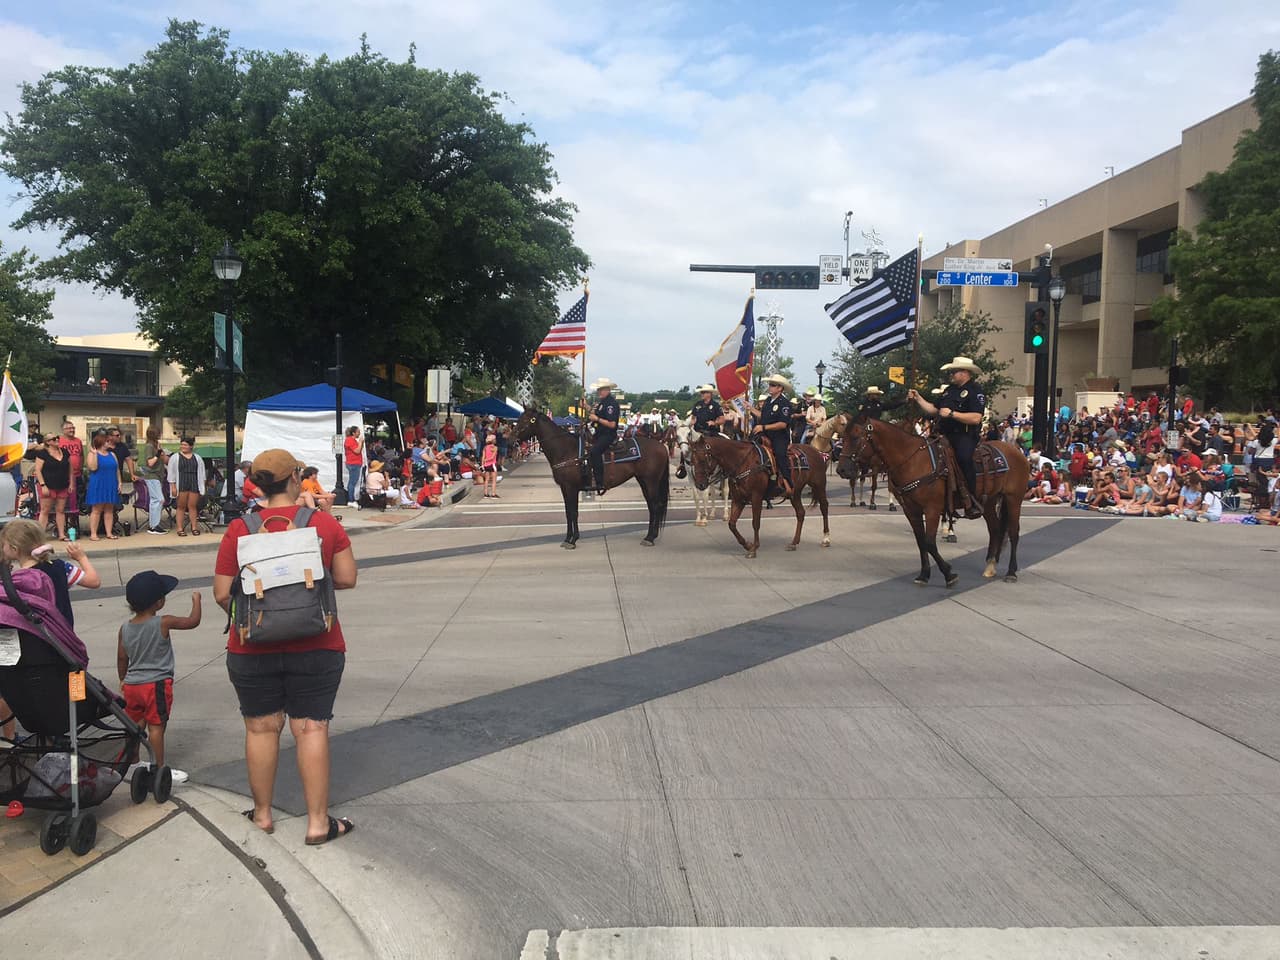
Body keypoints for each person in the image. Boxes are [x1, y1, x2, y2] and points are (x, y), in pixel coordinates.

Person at [213, 449, 357, 844]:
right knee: (311, 729)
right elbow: (347, 578)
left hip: (251, 648)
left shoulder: (239, 529)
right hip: (318, 642)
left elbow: (222, 593)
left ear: (257, 483)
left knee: (261, 729)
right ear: (295, 478)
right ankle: (317, 823)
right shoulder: (323, 523)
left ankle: (262, 815)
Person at [117, 571, 200, 779]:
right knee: (156, 728)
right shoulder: (163, 622)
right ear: (159, 602)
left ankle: (132, 763)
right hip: (156, 685)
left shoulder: (124, 628)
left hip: (132, 685)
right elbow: (193, 621)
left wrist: (122, 678)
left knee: (134, 726)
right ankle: (159, 769)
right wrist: (197, 600)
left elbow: (122, 658)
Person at [907, 356, 986, 519]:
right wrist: (918, 398)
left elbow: (976, 418)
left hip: (964, 435)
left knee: (964, 458)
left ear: (965, 373)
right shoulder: (949, 390)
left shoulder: (975, 391)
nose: (951, 374)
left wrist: (952, 414)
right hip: (943, 433)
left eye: (954, 371)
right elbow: (934, 409)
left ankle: (971, 499)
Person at [0, 520, 101, 625]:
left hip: (34, 632)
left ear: (14, 549)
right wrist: (81, 557)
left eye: (3, 544)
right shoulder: (60, 566)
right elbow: (94, 581)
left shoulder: (17, 579)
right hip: (62, 631)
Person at [751, 374, 794, 496]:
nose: (769, 387)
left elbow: (783, 424)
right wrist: (750, 409)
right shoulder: (768, 401)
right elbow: (763, 416)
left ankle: (787, 483)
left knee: (780, 455)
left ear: (780, 388)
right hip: (764, 434)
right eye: (769, 384)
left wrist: (763, 427)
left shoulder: (784, 403)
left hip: (779, 436)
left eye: (773, 385)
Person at [33, 433, 73, 540]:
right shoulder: (43, 453)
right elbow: (38, 470)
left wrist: (71, 483)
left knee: (60, 510)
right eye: (54, 439)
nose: (57, 440)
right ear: (48, 442)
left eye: (57, 438)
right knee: (45, 510)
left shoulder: (65, 452)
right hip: (48, 485)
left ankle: (61, 534)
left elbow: (70, 469)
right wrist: (43, 485)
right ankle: (40, 536)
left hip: (63, 485)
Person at [587, 378, 621, 495]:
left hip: (608, 435)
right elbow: (596, 413)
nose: (599, 392)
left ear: (607, 390)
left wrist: (597, 419)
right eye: (598, 389)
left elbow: (612, 424)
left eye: (601, 389)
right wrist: (586, 406)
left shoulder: (611, 404)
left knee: (595, 452)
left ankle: (599, 481)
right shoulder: (602, 403)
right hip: (599, 433)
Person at [84, 429, 120, 541]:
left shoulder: (112, 454)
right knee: (97, 509)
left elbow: (117, 469)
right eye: (107, 441)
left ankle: (109, 532)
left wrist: (119, 482)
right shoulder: (92, 454)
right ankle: (93, 533)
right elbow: (93, 467)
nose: (109, 443)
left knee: (109, 509)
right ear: (101, 442)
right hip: (98, 483)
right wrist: (95, 454)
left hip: (111, 483)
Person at [167, 437, 206, 536]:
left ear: (191, 446)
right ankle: (180, 528)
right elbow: (171, 473)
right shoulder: (175, 457)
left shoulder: (197, 458)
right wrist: (173, 486)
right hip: (182, 483)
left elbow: (202, 473)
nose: (183, 446)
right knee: (181, 506)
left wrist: (202, 487)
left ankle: (194, 527)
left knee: (192, 506)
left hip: (194, 483)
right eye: (182, 444)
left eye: (185, 445)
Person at [140, 427, 169, 535]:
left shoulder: (156, 445)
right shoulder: (149, 446)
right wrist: (158, 454)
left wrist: (162, 453)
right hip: (152, 476)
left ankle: (153, 525)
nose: (160, 434)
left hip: (158, 476)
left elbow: (165, 460)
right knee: (159, 499)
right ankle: (154, 526)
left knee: (154, 500)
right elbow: (150, 463)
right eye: (158, 433)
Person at [343, 426, 364, 503]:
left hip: (355, 463)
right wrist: (360, 442)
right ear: (353, 433)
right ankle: (351, 500)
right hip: (353, 463)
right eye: (358, 432)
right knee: (352, 482)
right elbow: (357, 451)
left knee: (353, 481)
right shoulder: (350, 440)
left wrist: (361, 443)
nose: (359, 433)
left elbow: (359, 449)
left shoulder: (353, 440)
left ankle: (351, 498)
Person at [481, 432, 499, 498]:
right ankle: (493, 494)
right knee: (494, 480)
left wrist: (483, 463)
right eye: (495, 439)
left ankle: (485, 494)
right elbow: (492, 457)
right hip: (492, 464)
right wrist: (487, 460)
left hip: (486, 465)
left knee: (486, 479)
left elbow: (483, 456)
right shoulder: (495, 447)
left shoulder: (485, 447)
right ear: (493, 440)